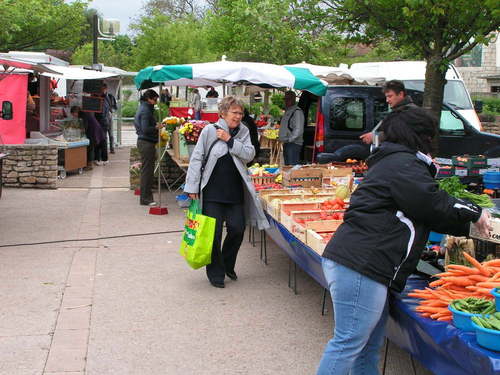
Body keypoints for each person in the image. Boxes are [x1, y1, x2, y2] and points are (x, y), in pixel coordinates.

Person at [316, 107, 491, 375]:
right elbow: (431, 204)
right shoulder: (402, 164)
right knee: (348, 343)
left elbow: (427, 208)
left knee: (367, 347)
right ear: (419, 135)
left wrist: (465, 219)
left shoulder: (396, 161)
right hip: (363, 263)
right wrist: (475, 212)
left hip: (364, 262)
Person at [184, 96, 269, 288]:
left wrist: (230, 140)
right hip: (212, 191)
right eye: (235, 112)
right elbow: (197, 158)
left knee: (237, 229)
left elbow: (249, 155)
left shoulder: (244, 131)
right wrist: (192, 187)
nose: (238, 116)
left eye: (241, 113)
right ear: (223, 113)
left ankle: (227, 264)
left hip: (235, 191)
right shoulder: (209, 130)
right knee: (212, 235)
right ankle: (216, 272)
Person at [360, 80, 418, 145]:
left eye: (390, 96)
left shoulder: (410, 112)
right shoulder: (400, 110)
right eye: (386, 97)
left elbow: (401, 134)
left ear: (401, 94)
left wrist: (375, 137)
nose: (387, 100)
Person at [134, 89, 160, 206]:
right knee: (147, 172)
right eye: (155, 100)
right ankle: (146, 198)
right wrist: (156, 127)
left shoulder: (143, 108)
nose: (156, 102)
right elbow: (145, 129)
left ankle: (146, 196)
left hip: (145, 142)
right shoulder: (145, 111)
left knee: (147, 171)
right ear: (149, 99)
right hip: (146, 142)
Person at [279, 90, 304, 165]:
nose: (286, 101)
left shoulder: (297, 111)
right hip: (287, 143)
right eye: (285, 99)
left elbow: (298, 129)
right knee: (287, 168)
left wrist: (290, 139)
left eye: (288, 99)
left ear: (294, 99)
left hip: (293, 144)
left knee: (292, 168)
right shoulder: (288, 111)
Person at [96, 83, 117, 154]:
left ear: (106, 89)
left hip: (109, 116)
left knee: (111, 134)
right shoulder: (99, 97)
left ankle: (112, 148)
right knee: (104, 134)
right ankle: (105, 149)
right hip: (103, 117)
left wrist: (111, 111)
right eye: (101, 89)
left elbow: (115, 107)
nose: (102, 91)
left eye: (103, 89)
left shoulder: (110, 96)